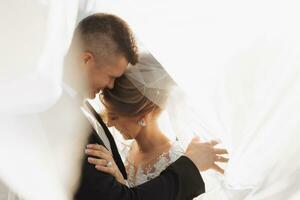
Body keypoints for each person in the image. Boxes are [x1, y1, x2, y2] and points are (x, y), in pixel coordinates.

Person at [40, 13, 226, 200]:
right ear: (86, 60)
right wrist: (190, 165)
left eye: (115, 115)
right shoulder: (59, 116)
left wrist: (120, 182)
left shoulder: (82, 107)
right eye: (111, 76)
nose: (111, 85)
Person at [85, 53, 228, 189]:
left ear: (142, 116)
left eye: (115, 116)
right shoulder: (127, 148)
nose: (109, 123)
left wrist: (121, 182)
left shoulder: (177, 161)